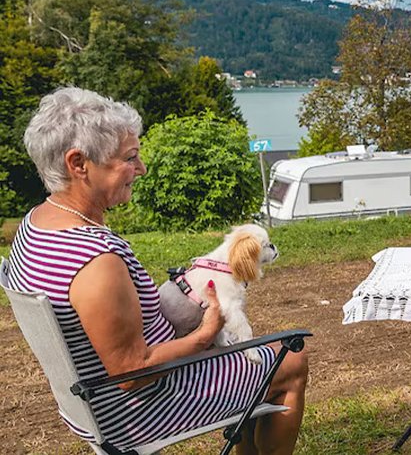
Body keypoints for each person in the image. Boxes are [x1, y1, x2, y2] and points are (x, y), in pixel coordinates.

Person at [7, 87, 308, 455]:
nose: (141, 169)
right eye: (129, 158)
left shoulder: (35, 224)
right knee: (290, 359)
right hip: (140, 408)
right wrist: (206, 332)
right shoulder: (96, 259)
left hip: (90, 403)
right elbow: (131, 372)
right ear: (79, 164)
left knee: (251, 357)